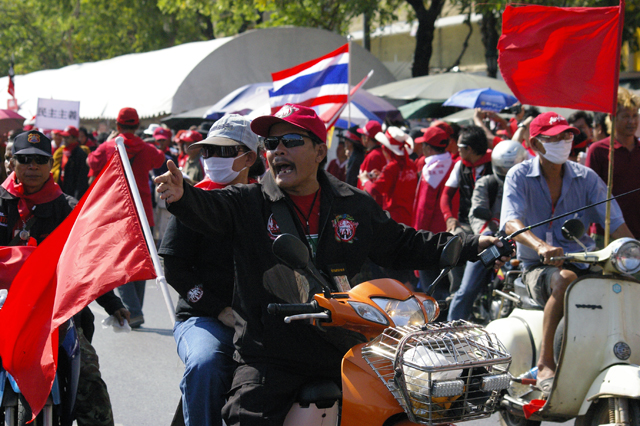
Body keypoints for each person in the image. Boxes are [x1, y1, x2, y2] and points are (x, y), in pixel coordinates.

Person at [155, 103, 510, 426]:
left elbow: (403, 243)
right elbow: (208, 209)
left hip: (344, 347)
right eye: (270, 143)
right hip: (271, 355)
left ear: (320, 151)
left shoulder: (352, 202)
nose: (278, 150)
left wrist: (469, 245)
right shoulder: (247, 202)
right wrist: (183, 196)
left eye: (291, 140)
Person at [500, 112, 634, 395]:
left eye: (567, 135)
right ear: (536, 144)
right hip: (537, 267)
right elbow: (511, 221)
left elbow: (616, 222)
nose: (564, 142)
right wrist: (540, 246)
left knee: (624, 283)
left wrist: (634, 253)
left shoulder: (587, 177)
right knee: (565, 278)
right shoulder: (519, 175)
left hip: (584, 259)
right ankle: (546, 363)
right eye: (555, 138)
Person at [1, 130, 128, 426]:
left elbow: (90, 263)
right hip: (3, 309)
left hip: (55, 314)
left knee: (88, 376)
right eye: (24, 159)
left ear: (50, 165)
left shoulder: (70, 210)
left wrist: (113, 304)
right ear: (13, 163)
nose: (32, 166)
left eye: (39, 160)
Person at [159, 115, 259, 426]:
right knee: (205, 365)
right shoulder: (191, 199)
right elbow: (174, 267)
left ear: (250, 157)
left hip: (260, 320)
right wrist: (219, 309)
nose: (212, 158)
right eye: (208, 151)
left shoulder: (268, 203)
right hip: (204, 318)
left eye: (224, 151)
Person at [87, 107, 165, 328]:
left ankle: (133, 310)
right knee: (140, 260)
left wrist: (111, 140)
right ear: (138, 125)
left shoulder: (108, 147)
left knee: (120, 261)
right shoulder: (147, 148)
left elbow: (91, 162)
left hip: (116, 213)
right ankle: (136, 309)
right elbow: (159, 160)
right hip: (142, 213)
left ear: (117, 126)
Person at [448, 140, 527, 321]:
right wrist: (488, 234)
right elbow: (476, 212)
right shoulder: (486, 183)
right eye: (504, 172)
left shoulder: (529, 185)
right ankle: (450, 329)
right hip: (492, 242)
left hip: (521, 242)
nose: (508, 176)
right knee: (466, 289)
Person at [586, 87, 640, 241]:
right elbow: (589, 194)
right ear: (612, 117)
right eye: (625, 116)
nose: (632, 121)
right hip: (606, 235)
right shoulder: (598, 150)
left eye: (635, 115)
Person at [412, 127, 455, 292]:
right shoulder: (454, 164)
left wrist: (416, 243)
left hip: (430, 239)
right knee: (446, 287)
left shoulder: (430, 170)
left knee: (432, 291)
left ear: (427, 148)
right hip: (451, 235)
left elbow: (424, 210)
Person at [358, 126, 417, 226]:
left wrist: (364, 180)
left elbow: (373, 190)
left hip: (394, 219)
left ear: (386, 148)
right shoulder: (411, 165)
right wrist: (380, 177)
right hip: (409, 217)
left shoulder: (392, 167)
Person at [441, 125, 493, 234]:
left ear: (469, 149)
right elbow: (446, 195)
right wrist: (449, 217)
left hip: (492, 223)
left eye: (459, 145)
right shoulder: (460, 165)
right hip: (466, 223)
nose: (457, 149)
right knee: (454, 236)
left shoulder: (495, 164)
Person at [51, 126, 90, 200]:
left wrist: (77, 199)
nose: (64, 140)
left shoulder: (81, 154)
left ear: (75, 139)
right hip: (62, 193)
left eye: (67, 137)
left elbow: (82, 180)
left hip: (73, 196)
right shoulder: (62, 152)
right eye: (64, 137)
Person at [356, 120, 386, 205]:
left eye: (363, 135)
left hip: (369, 206)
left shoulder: (373, 156)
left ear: (367, 137)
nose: (361, 138)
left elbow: (368, 186)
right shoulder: (379, 153)